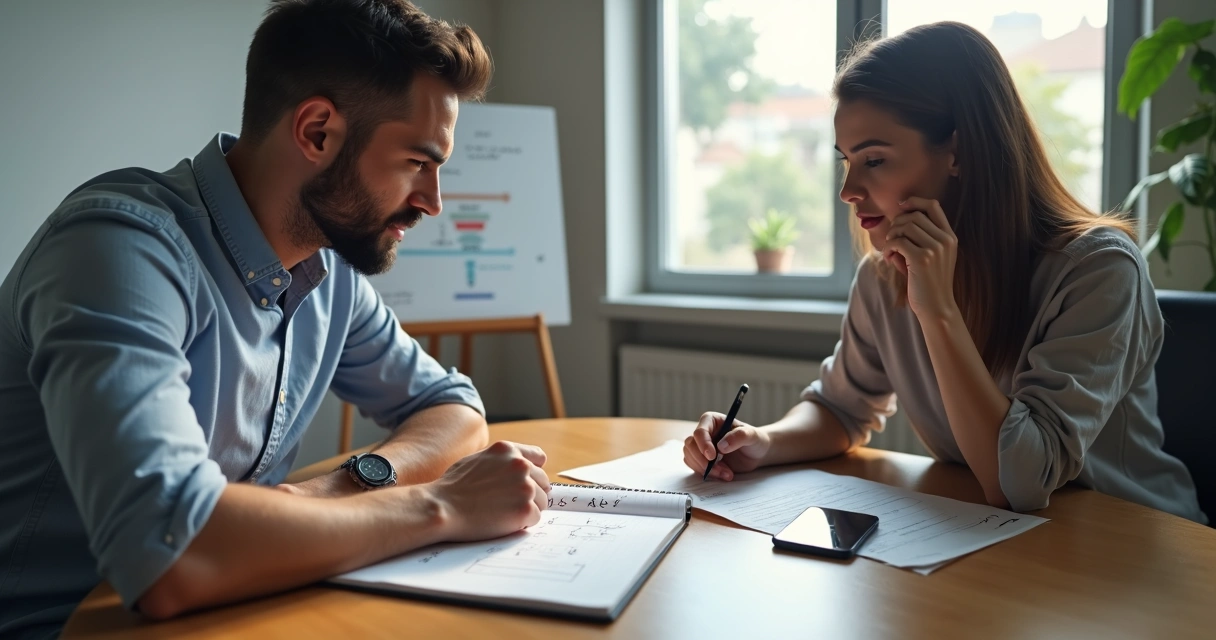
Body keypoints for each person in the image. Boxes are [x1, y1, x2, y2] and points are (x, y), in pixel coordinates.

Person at [0, 1, 553, 637]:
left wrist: (340, 489)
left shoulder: (328, 270)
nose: (432, 202)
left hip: (238, 610)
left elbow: (454, 409)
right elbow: (169, 553)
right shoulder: (119, 249)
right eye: (417, 163)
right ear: (317, 132)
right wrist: (441, 504)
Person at [682, 21, 1206, 525]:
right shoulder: (883, 277)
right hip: (1005, 548)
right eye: (846, 161)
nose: (848, 191)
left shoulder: (1098, 270)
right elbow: (841, 409)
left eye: (875, 160)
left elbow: (1019, 483)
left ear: (958, 151)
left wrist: (937, 311)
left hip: (1131, 557)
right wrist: (763, 442)